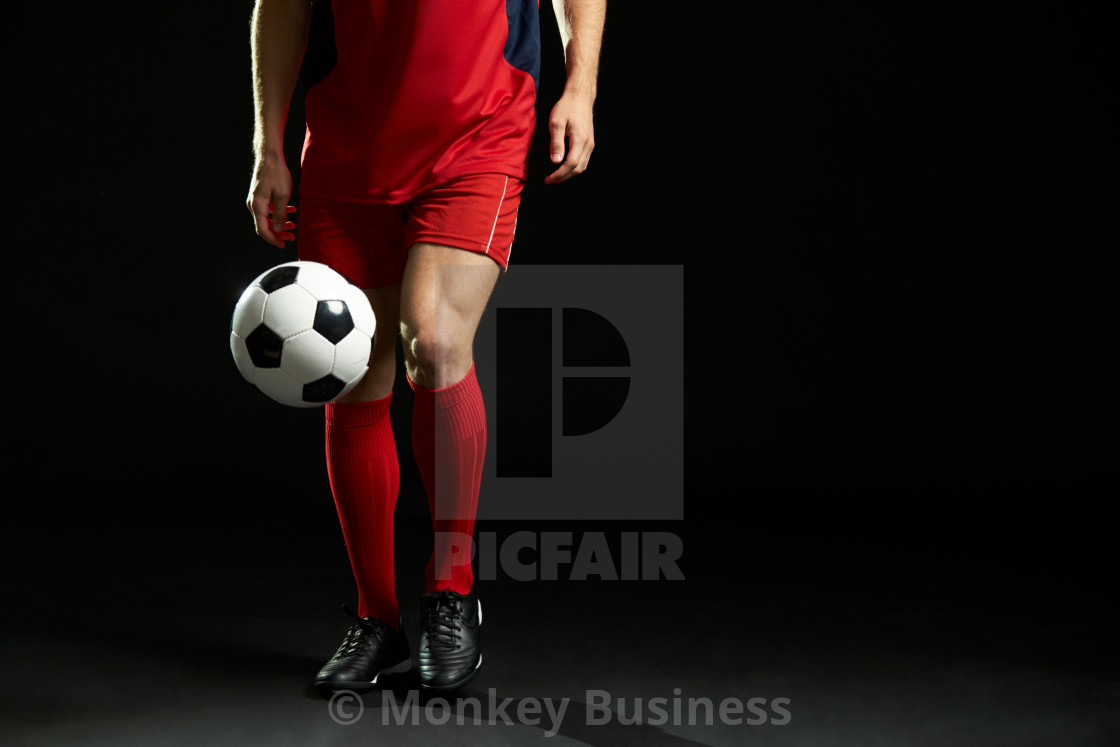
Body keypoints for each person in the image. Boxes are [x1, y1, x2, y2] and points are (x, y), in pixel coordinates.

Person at [245, 0, 605, 694]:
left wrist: (581, 87)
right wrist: (269, 144)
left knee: (435, 342)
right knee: (351, 373)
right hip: (352, 140)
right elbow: (283, 6)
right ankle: (375, 619)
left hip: (479, 128)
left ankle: (451, 590)